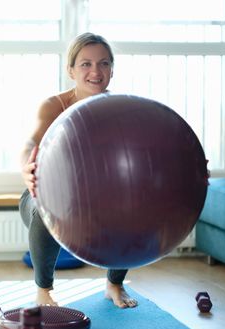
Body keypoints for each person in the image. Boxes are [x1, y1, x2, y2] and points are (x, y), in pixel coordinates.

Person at [19, 32, 138, 309]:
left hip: (97, 202)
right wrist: (27, 167)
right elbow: (29, 143)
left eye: (104, 63)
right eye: (85, 64)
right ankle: (43, 291)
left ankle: (114, 285)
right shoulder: (54, 105)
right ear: (70, 69)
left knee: (133, 207)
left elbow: (153, 152)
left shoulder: (121, 109)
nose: (95, 71)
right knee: (42, 205)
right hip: (46, 196)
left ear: (111, 70)